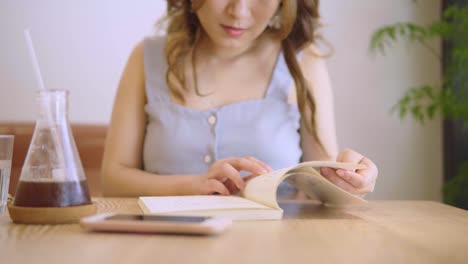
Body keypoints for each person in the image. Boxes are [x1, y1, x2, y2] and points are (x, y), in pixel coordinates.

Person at [101, 0, 378, 198]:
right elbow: (113, 178)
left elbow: (324, 184)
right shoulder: (147, 56)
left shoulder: (304, 60)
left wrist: (350, 177)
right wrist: (193, 185)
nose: (239, 11)